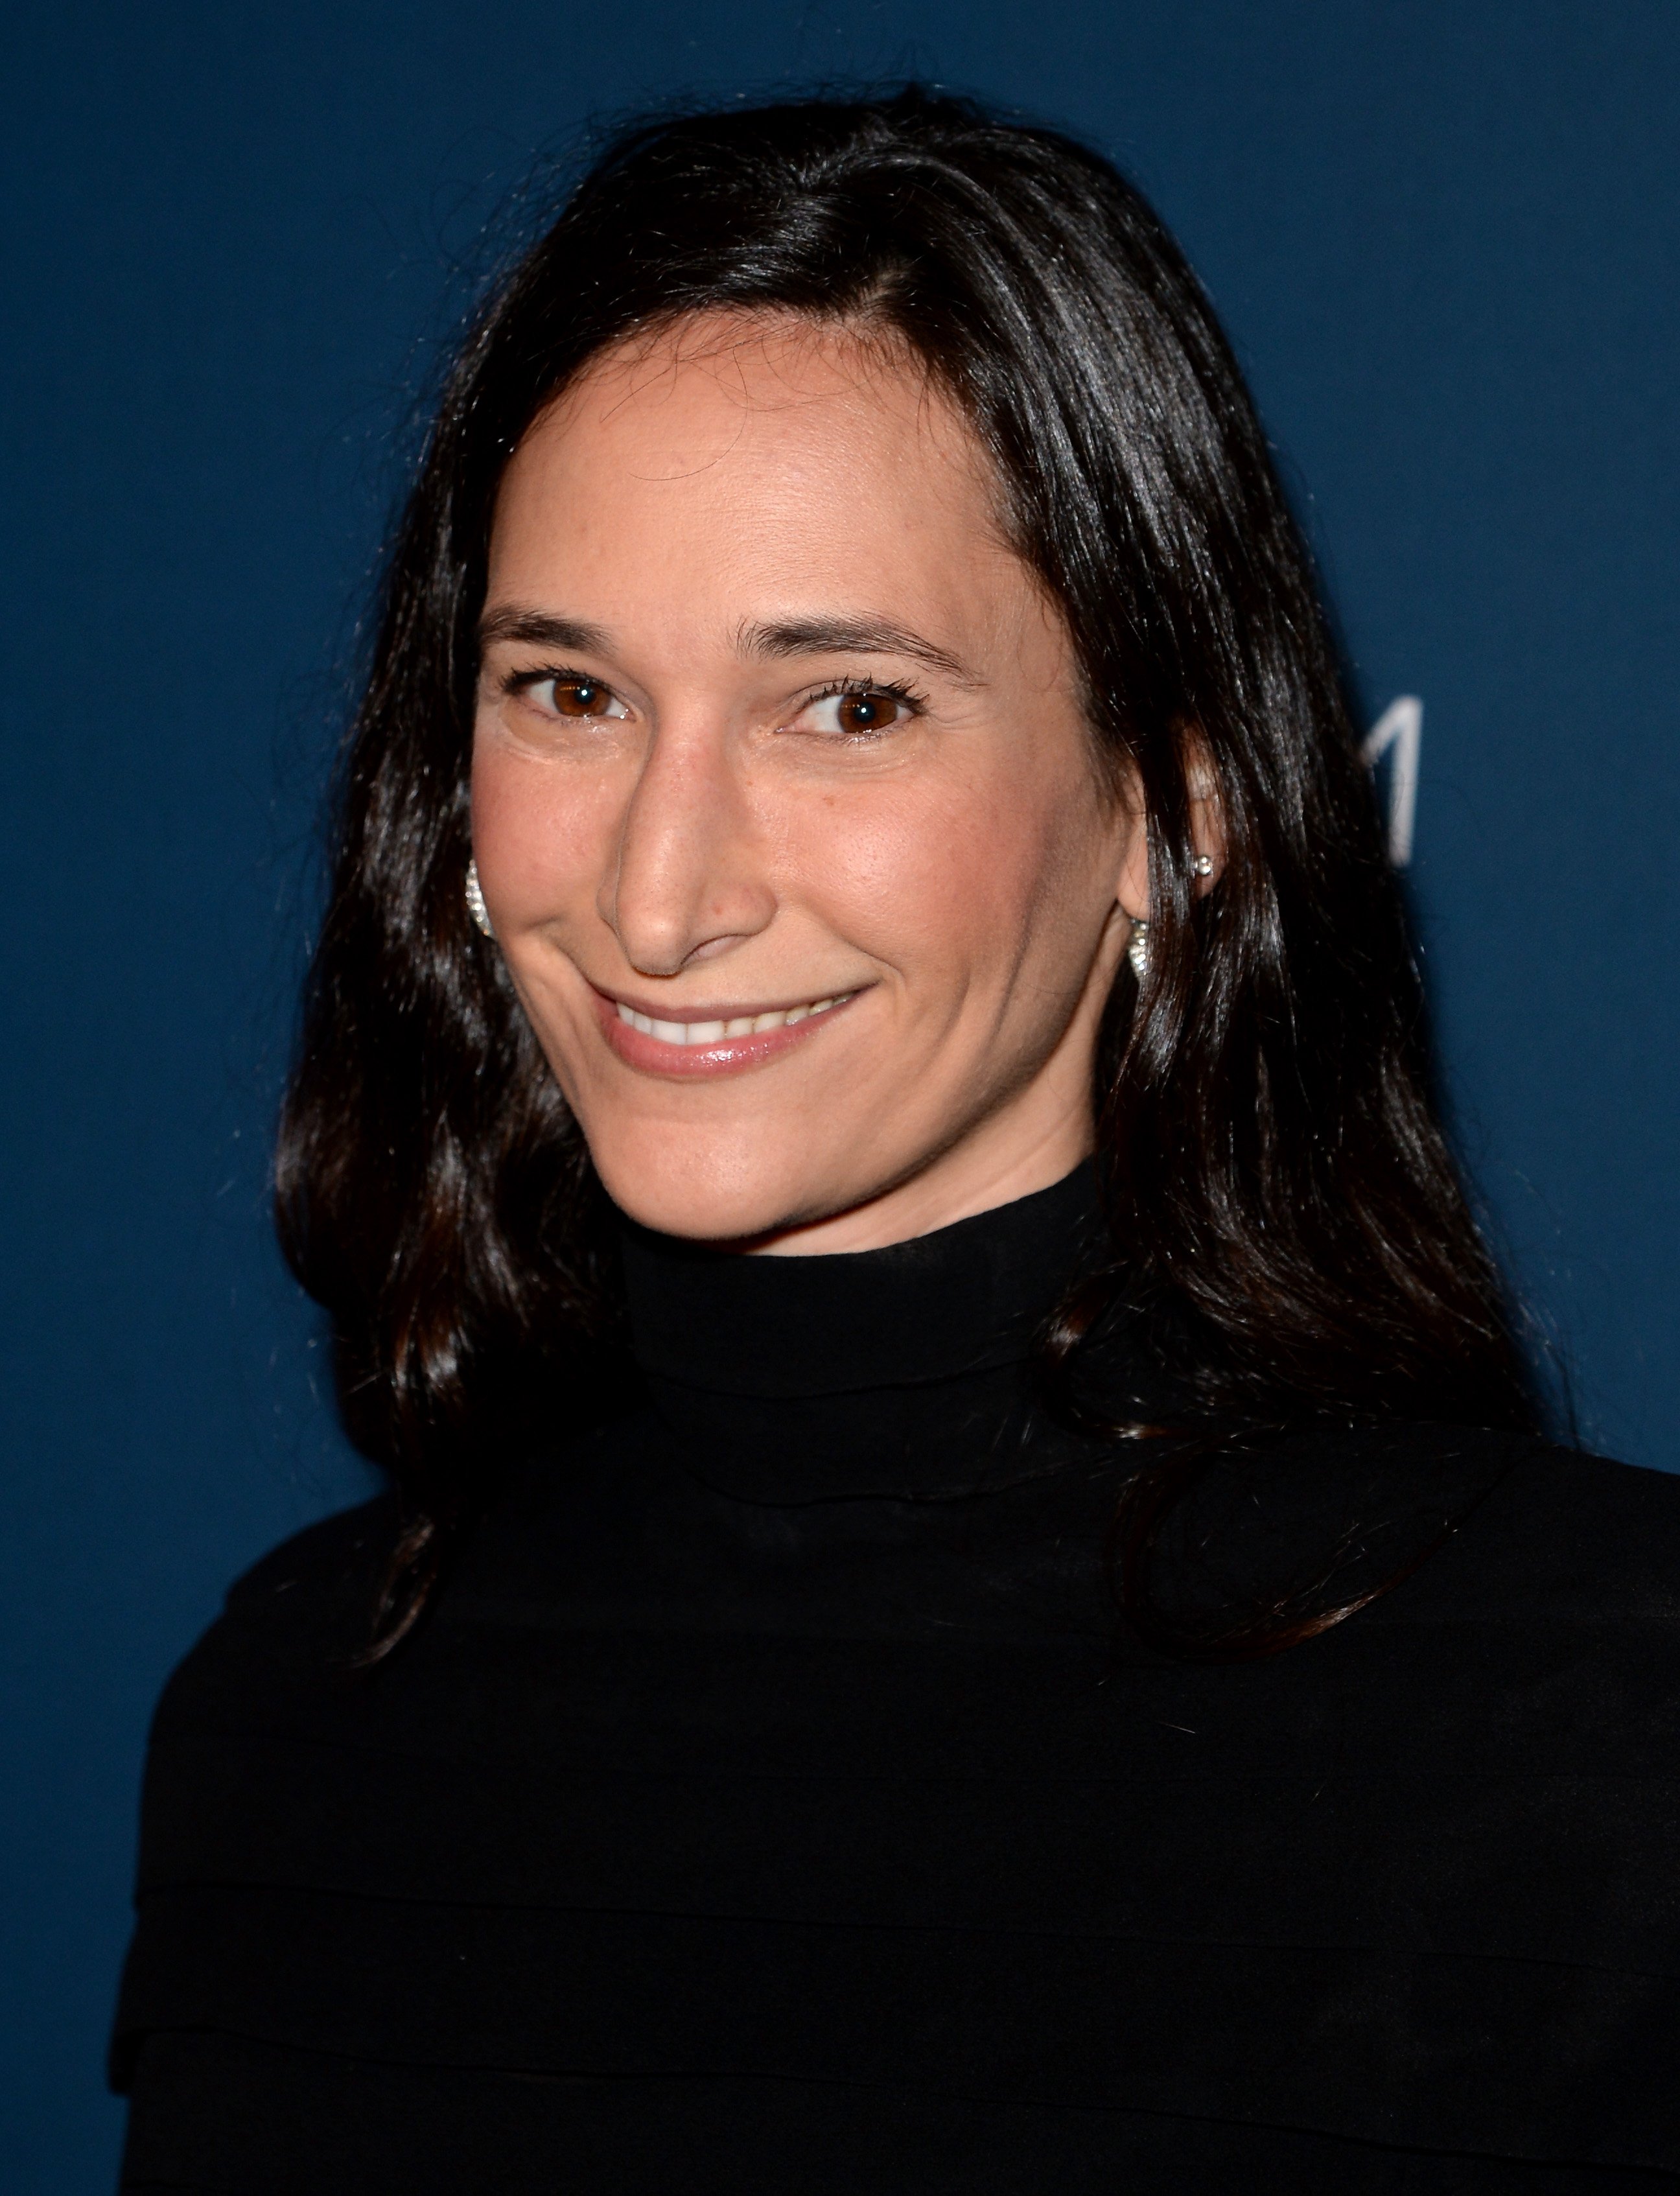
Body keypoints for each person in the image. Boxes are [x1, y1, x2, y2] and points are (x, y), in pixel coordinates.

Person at [110, 88, 1680, 2192]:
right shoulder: (296, 1705)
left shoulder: (1602, 1706)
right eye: (568, 693)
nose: (661, 893)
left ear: (1174, 810)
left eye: (847, 705)